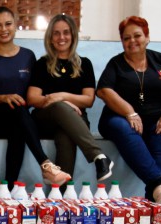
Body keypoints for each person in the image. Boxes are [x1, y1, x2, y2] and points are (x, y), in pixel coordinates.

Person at [0, 7, 70, 188]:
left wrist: (64, 102)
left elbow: (37, 93)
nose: (4, 29)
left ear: (16, 26)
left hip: (21, 120)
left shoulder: (28, 56)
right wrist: (3, 97)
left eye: (8, 24)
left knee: (19, 119)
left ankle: (8, 189)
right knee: (17, 110)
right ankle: (45, 165)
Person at [97, 16, 161, 204]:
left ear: (147, 37)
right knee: (123, 128)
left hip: (158, 118)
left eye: (137, 36)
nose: (132, 41)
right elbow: (103, 91)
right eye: (126, 38)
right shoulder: (116, 63)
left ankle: (155, 199)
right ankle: (159, 184)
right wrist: (129, 111)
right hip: (120, 119)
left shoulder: (160, 59)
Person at [27, 14, 114, 182]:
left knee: (66, 135)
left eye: (66, 32)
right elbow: (32, 98)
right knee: (59, 107)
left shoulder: (85, 64)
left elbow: (89, 100)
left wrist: (63, 96)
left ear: (73, 36)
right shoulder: (41, 64)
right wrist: (62, 103)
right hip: (46, 120)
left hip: (77, 121)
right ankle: (98, 156)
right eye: (56, 33)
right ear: (50, 38)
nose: (61, 37)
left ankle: (60, 195)